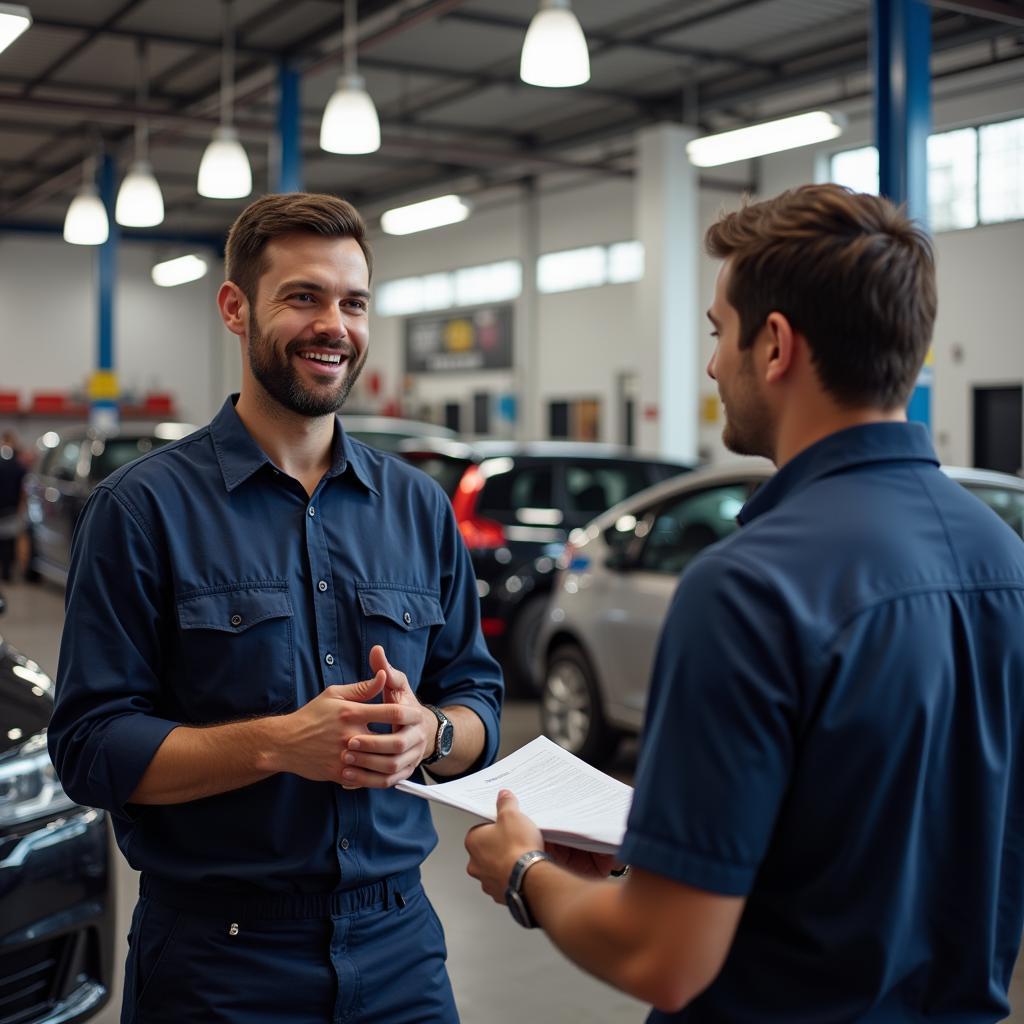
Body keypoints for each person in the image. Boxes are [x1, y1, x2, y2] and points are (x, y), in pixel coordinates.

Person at [465, 184, 1024, 1021]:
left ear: (775, 346)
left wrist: (523, 870)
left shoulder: (747, 588)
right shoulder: (1005, 559)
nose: (711, 364)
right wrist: (655, 862)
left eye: (718, 332)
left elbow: (665, 958)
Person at [48, 192, 503, 1024]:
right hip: (219, 963)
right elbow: (89, 748)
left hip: (401, 950)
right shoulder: (142, 510)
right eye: (303, 297)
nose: (334, 324)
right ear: (236, 308)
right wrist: (278, 745)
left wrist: (429, 734)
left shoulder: (417, 508)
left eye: (353, 302)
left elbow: (477, 699)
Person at [0, 430, 27, 582]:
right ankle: (7, 572)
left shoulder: (15, 465)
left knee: (7, 541)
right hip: (11, 508)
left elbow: (23, 488)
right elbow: (23, 488)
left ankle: (6, 571)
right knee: (8, 541)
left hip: (8, 509)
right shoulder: (18, 465)